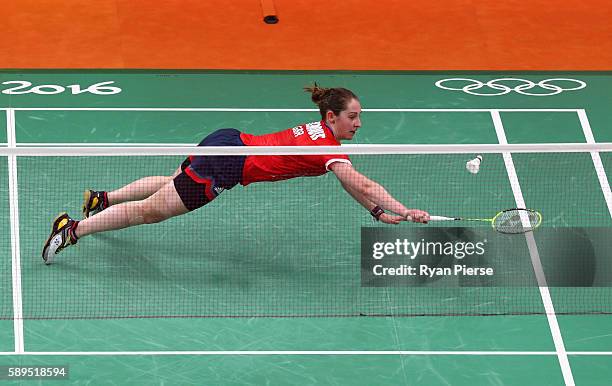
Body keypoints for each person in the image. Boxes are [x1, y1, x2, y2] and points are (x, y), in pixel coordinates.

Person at [42, 84, 430, 264]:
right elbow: (361, 182)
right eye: (353, 117)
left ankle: (102, 199)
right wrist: (406, 209)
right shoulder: (327, 149)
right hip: (226, 166)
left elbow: (353, 185)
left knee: (170, 181)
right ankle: (72, 229)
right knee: (149, 212)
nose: (358, 123)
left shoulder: (321, 138)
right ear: (332, 117)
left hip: (226, 140)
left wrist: (377, 212)